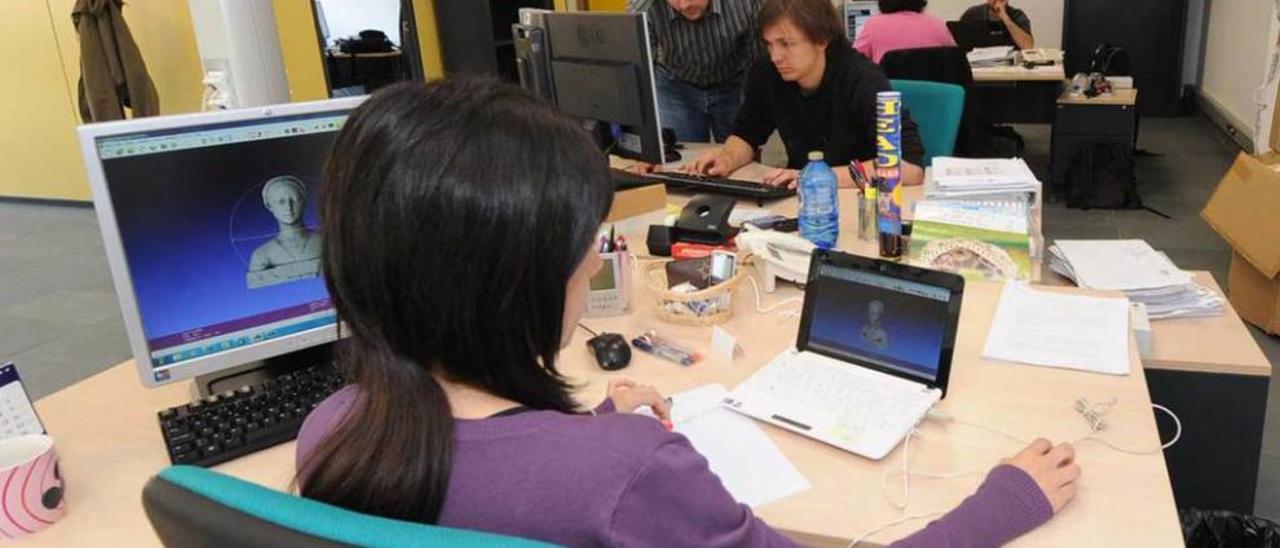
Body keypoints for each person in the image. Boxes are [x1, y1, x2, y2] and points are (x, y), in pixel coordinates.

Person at [294, 78, 1080, 546]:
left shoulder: (332, 430)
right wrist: (1000, 503)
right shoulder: (628, 473)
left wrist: (585, 437)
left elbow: (505, 487)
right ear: (521, 281)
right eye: (584, 245)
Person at [686, 0, 926, 189]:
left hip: (861, 197)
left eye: (786, 44)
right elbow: (747, 135)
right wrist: (726, 158)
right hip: (801, 198)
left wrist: (815, 178)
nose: (775, 56)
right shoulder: (767, 73)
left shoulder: (861, 78)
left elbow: (910, 168)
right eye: (769, 44)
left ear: (821, 40)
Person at [628, 0, 765, 143]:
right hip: (674, 87)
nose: (683, 5)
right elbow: (639, 70)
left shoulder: (747, 4)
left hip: (734, 83)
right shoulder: (642, 7)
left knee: (742, 155)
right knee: (681, 160)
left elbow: (757, 63)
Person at [246, 175, 321, 289]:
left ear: (304, 201)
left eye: (294, 200)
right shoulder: (261, 255)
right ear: (270, 206)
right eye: (281, 202)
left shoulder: (327, 242)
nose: (289, 207)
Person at [854, 0, 956, 64]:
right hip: (934, 95)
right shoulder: (937, 24)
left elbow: (853, 62)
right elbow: (955, 61)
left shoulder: (873, 25)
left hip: (890, 95)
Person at [960, 0, 1034, 50]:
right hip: (979, 66)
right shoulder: (973, 14)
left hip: (1010, 67)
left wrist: (1004, 16)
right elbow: (958, 43)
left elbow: (1028, 46)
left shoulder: (1017, 15)